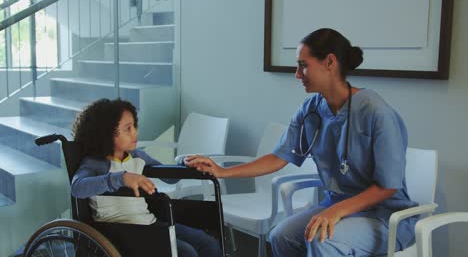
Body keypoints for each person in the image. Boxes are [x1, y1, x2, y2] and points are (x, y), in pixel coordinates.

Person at [185, 28, 418, 256]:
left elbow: (388, 186)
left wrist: (337, 210)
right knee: (281, 236)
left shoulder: (375, 112)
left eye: (303, 65)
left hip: (384, 216)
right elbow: (278, 157)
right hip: (338, 208)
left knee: (322, 240)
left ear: (329, 62)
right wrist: (222, 171)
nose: (297, 74)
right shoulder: (311, 109)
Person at [71, 98, 222, 257]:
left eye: (134, 126)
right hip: (119, 230)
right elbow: (77, 188)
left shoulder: (137, 156)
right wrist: (121, 178)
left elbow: (169, 178)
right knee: (186, 252)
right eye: (128, 129)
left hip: (148, 223)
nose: (135, 132)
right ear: (106, 133)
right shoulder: (95, 163)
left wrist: (183, 163)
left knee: (207, 242)